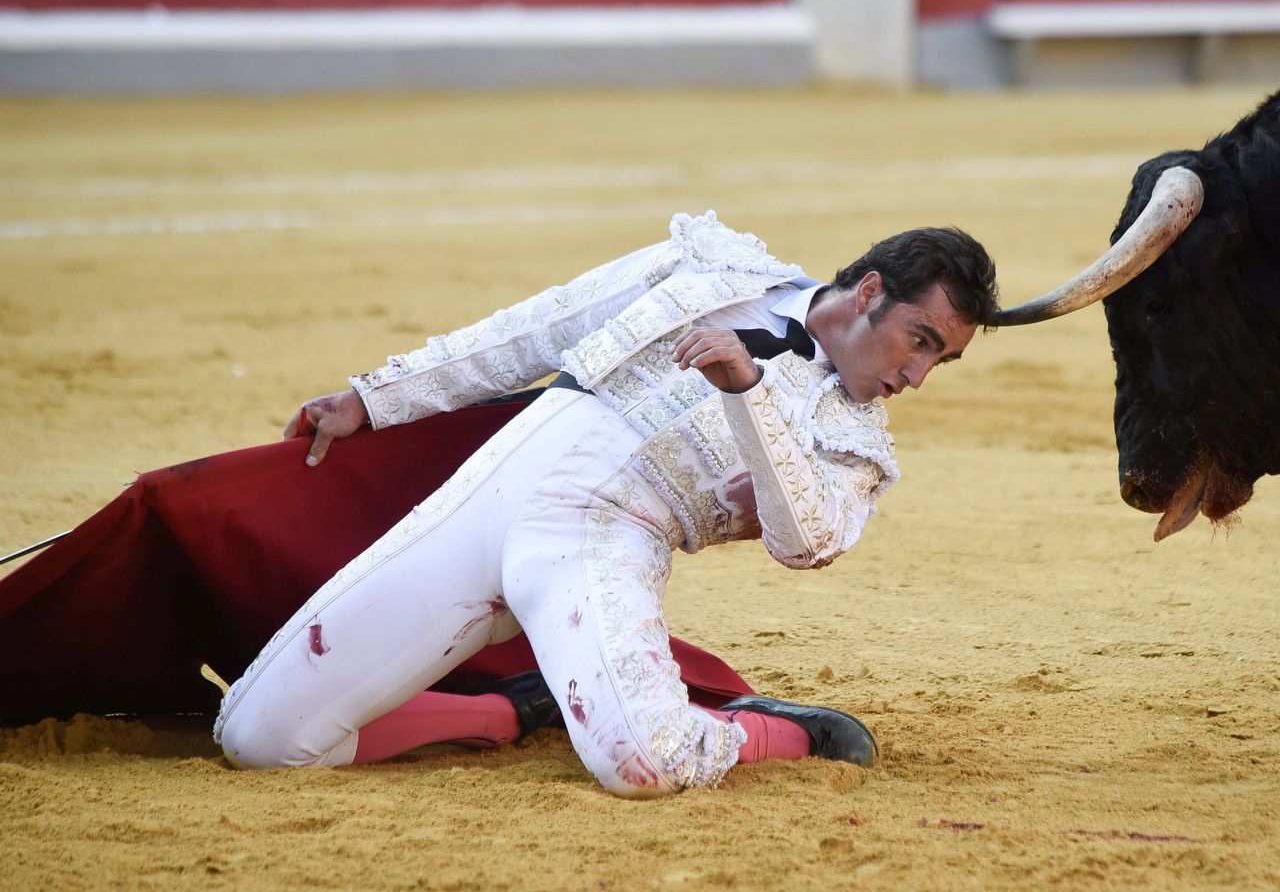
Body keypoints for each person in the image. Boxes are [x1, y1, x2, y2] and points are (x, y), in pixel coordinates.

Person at [212, 210, 999, 798]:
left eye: (944, 359)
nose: (918, 375)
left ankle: (787, 732)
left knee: (647, 764)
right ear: (869, 292)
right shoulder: (716, 267)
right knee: (261, 738)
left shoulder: (854, 441)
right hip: (499, 485)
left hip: (604, 539)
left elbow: (808, 542)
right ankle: (508, 713)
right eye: (921, 339)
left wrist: (749, 395)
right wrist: (376, 397)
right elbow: (543, 327)